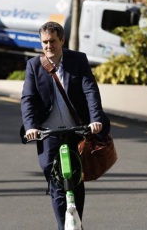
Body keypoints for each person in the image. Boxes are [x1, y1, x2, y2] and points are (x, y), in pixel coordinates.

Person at [21, 21, 110, 230]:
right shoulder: (34, 65)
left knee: (76, 180)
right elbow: (28, 99)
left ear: (62, 40)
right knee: (55, 180)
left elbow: (90, 90)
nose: (48, 46)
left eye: (52, 41)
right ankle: (65, 227)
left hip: (76, 130)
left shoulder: (77, 60)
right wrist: (30, 127)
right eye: (44, 42)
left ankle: (76, 225)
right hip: (48, 133)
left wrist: (95, 119)